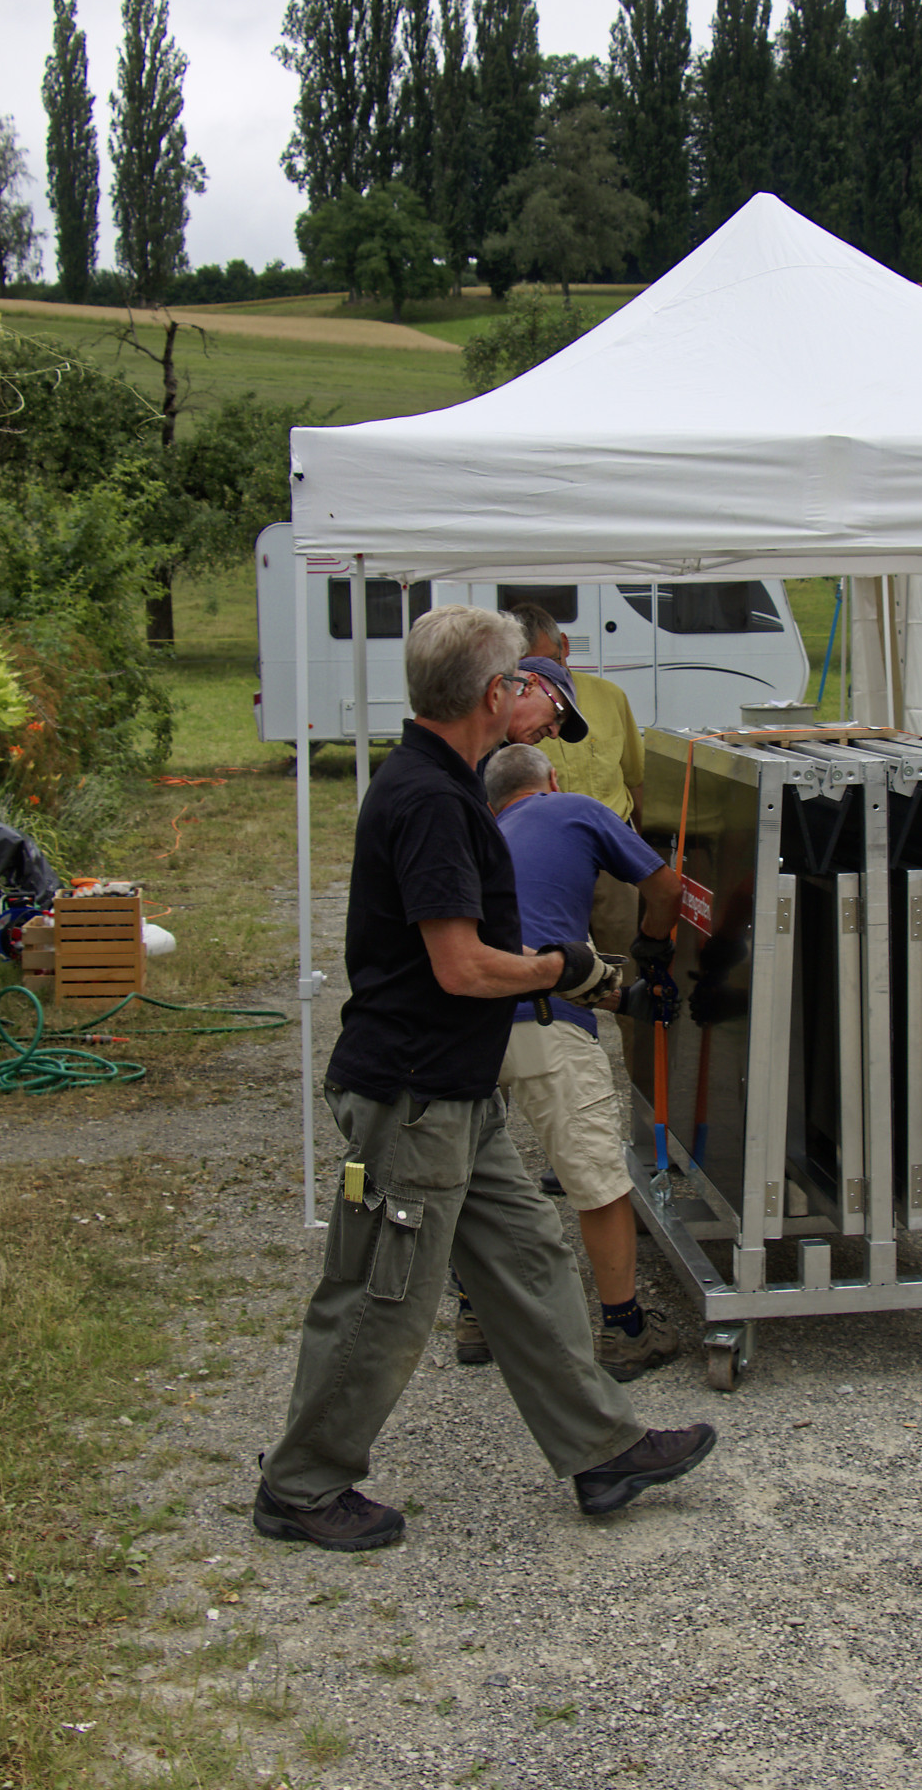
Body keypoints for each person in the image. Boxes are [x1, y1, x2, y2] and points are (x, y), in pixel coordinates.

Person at [253, 604, 714, 1549]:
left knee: (531, 1260)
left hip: (457, 1085)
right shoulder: (428, 799)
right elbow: (461, 967)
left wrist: (574, 975)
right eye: (518, 680)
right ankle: (300, 1487)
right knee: (384, 1293)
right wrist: (563, 968)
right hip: (412, 1094)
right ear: (492, 693)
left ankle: (600, 1449)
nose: (525, 693)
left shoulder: (452, 784)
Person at [455, 742, 681, 1381]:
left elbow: (523, 941)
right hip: (545, 1022)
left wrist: (620, 998)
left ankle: (475, 1316)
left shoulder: (477, 836)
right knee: (597, 1182)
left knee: (471, 1177)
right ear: (551, 780)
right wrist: (652, 949)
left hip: (468, 1027)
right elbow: (665, 889)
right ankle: (625, 1330)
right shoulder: (573, 809)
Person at [507, 600, 648, 1102]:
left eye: (548, 661)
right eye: (524, 667)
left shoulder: (609, 697)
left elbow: (634, 777)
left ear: (565, 647)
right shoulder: (506, 711)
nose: (539, 675)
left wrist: (645, 853)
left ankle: (646, 1106)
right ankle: (556, 1103)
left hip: (613, 864)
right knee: (546, 980)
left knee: (633, 981)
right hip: (543, 868)